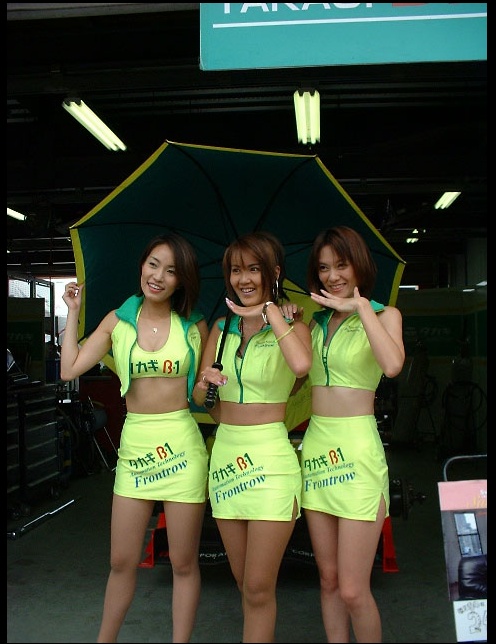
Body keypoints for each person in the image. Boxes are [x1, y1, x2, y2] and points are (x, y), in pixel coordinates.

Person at [60, 233, 209, 643]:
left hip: (182, 448)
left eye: (171, 271)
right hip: (136, 449)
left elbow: (202, 395)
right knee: (121, 561)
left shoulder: (195, 325)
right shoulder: (118, 320)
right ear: (142, 265)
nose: (158, 276)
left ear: (182, 280)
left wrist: (207, 385)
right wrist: (73, 312)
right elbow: (69, 369)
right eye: (153, 264)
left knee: (183, 563)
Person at [193, 231, 312, 643]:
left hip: (271, 461)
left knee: (260, 587)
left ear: (273, 273)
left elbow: (301, 367)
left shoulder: (293, 324)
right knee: (244, 583)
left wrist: (273, 314)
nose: (243, 279)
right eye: (235, 270)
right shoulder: (220, 327)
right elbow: (200, 397)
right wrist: (205, 383)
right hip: (226, 457)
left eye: (253, 269)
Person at [299, 225, 405, 643]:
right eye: (324, 268)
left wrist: (361, 308)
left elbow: (392, 365)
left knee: (353, 589)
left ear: (359, 264)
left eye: (341, 265)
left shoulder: (385, 315)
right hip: (317, 450)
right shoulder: (316, 321)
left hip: (358, 453)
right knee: (328, 580)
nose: (332, 276)